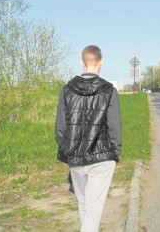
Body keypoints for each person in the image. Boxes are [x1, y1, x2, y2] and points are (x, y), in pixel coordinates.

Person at [55, 45, 122, 232]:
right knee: (94, 207)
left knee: (84, 203)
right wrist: (115, 152)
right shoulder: (109, 90)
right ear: (100, 63)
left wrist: (67, 149)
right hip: (102, 157)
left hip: (75, 156)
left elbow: (60, 127)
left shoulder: (66, 90)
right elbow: (115, 126)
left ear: (82, 63)